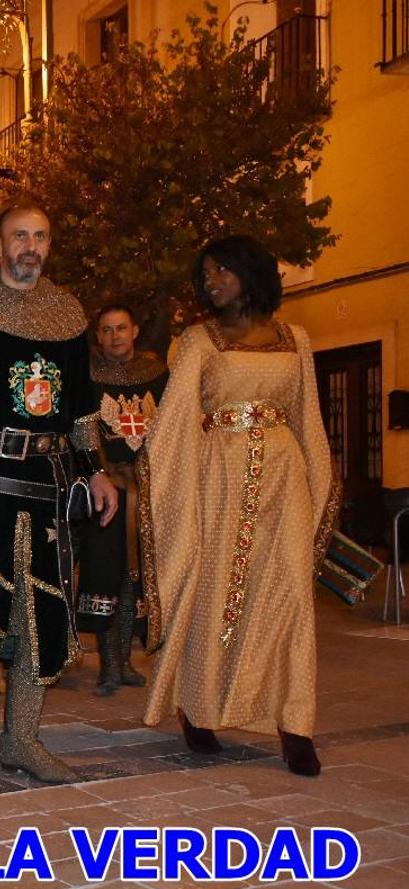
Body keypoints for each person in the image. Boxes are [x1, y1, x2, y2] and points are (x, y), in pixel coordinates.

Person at [0, 204, 118, 784]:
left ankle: (22, 739)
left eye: (40, 235)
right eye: (19, 236)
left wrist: (99, 468)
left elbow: (83, 408)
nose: (30, 246)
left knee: (45, 607)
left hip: (48, 483)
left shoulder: (68, 312)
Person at [142, 235, 336, 777]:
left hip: (283, 480)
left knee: (291, 594)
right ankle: (198, 711)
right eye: (206, 274)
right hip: (219, 479)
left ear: (251, 274)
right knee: (213, 593)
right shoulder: (199, 340)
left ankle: (296, 724)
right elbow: (177, 419)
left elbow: (308, 421)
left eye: (222, 271)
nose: (212, 282)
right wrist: (158, 473)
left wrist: (321, 484)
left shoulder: (295, 340)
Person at [77, 304, 168, 695]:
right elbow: (83, 429)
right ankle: (109, 665)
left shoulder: (159, 376)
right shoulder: (87, 377)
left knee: (139, 575)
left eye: (121, 328)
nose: (114, 336)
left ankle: (127, 661)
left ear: (134, 331)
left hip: (150, 488)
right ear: (98, 336)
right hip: (107, 488)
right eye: (106, 330)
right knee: (105, 571)